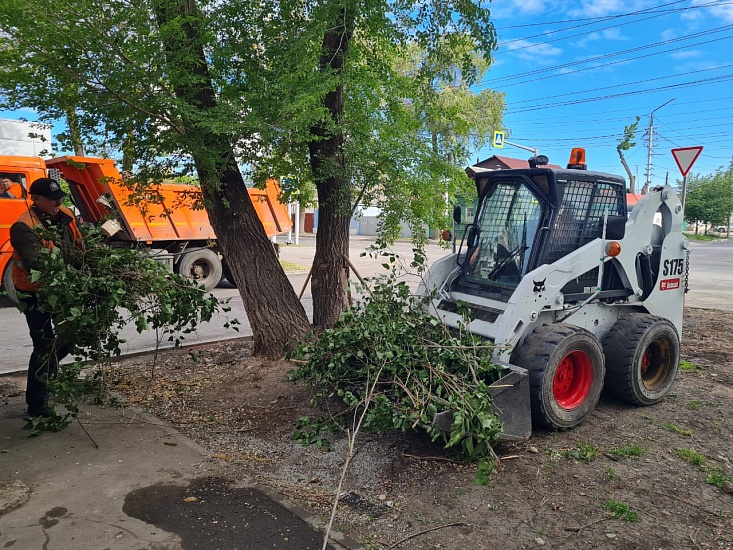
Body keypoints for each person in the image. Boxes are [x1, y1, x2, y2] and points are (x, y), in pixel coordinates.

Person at [9, 178, 83, 417]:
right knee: (44, 345)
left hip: (62, 289)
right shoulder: (23, 226)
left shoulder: (64, 215)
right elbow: (36, 261)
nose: (58, 202)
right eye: (52, 199)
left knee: (68, 339)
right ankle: (37, 402)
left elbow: (78, 246)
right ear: (36, 199)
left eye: (59, 198)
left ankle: (49, 376)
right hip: (34, 292)